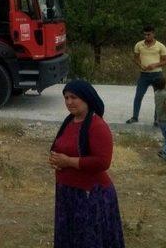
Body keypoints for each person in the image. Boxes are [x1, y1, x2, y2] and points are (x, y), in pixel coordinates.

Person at [49, 80, 125, 248]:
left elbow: (103, 161)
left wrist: (68, 161)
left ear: (86, 98)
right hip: (67, 193)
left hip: (91, 196)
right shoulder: (69, 121)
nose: (69, 102)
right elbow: (60, 147)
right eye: (66, 98)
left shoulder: (97, 126)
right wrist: (55, 159)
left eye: (73, 97)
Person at [126, 25, 166, 124]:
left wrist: (155, 64)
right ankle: (135, 117)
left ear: (153, 34)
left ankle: (157, 119)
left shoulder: (160, 46)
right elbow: (135, 58)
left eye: (148, 34)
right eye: (144, 34)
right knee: (138, 96)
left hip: (157, 75)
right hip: (144, 75)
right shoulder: (138, 45)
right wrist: (140, 65)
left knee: (159, 97)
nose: (146, 36)